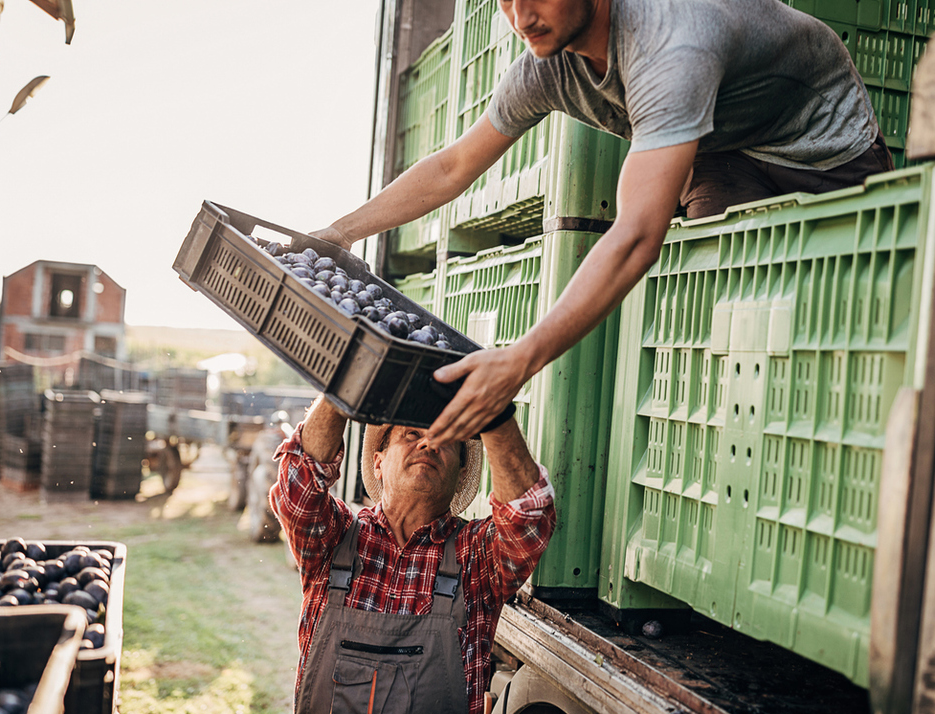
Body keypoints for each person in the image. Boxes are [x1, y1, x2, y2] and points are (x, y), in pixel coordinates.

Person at [311, 0, 895, 449]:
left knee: (830, 310)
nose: (520, 16)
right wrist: (339, 233)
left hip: (822, 150)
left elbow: (638, 233)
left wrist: (521, 358)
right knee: (730, 299)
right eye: (504, 0)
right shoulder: (546, 66)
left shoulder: (671, 43)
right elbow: (453, 166)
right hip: (721, 144)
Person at [269, 396, 556, 714]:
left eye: (446, 439)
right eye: (411, 434)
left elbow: (529, 518)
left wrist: (494, 410)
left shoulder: (477, 557)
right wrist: (347, 385)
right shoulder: (335, 538)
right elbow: (297, 483)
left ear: (459, 474)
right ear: (378, 462)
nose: (428, 444)